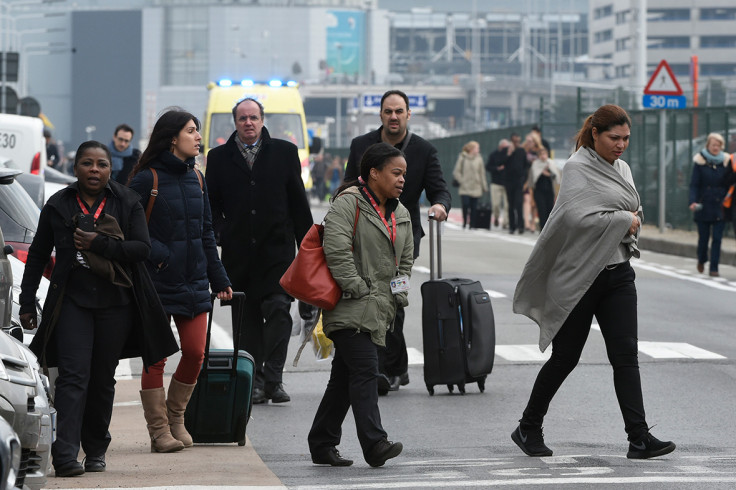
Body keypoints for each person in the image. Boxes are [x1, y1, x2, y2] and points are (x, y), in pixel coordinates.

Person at [512, 104, 676, 460]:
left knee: (625, 357)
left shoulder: (624, 168)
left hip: (618, 274)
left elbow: (635, 211)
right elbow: (575, 217)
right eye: (614, 138)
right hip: (580, 278)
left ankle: (639, 437)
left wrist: (627, 220)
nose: (621, 145)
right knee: (565, 358)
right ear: (595, 135)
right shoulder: (577, 167)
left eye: (626, 139)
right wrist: (623, 220)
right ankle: (528, 426)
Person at [19, 141, 179, 476]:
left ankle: (95, 451)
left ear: (109, 169)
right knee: (73, 376)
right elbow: (36, 255)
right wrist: (26, 300)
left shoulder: (127, 201)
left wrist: (99, 244)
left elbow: (141, 249)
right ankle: (64, 455)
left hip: (115, 303)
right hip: (72, 302)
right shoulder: (59, 204)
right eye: (87, 164)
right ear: (75, 168)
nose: (95, 170)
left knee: (102, 379)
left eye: (102, 164)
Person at [129, 109, 233, 452]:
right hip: (157, 282)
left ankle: (176, 419)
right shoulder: (147, 178)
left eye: (198, 131)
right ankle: (159, 431)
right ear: (173, 137)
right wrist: (161, 255)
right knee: (156, 357)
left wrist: (219, 278)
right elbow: (130, 225)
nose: (199, 137)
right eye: (192, 131)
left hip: (194, 280)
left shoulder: (197, 178)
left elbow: (205, 232)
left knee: (195, 352)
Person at [308, 142, 413, 468]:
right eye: (395, 173)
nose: (401, 180)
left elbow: (405, 262)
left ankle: (321, 441)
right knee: (367, 371)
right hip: (349, 305)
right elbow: (336, 251)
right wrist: (357, 288)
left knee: (344, 378)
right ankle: (374, 443)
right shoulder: (348, 203)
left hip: (380, 309)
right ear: (374, 173)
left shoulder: (401, 213)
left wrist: (399, 294)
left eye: (404, 174)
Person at [205, 97, 313, 405]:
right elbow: (212, 206)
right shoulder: (220, 157)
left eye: (253, 117)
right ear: (235, 123)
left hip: (277, 250)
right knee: (246, 320)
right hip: (238, 253)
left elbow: (298, 204)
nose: (248, 123)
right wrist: (218, 234)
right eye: (242, 118)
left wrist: (309, 248)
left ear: (262, 120)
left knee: (279, 311)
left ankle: (272, 379)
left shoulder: (284, 152)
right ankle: (252, 383)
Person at [343, 89, 451, 394]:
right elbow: (350, 184)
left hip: (404, 240)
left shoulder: (424, 150)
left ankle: (389, 367)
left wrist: (440, 206)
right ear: (380, 114)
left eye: (399, 111)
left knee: (394, 300)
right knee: (367, 300)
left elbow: (440, 189)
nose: (393, 116)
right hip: (364, 235)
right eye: (388, 111)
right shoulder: (360, 146)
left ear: (407, 115)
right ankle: (388, 367)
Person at [688, 132, 730, 277]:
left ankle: (714, 268)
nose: (716, 147)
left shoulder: (726, 161)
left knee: (717, 239)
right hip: (703, 205)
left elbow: (730, 182)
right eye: (713, 145)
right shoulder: (700, 162)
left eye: (718, 145)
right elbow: (694, 184)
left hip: (721, 205)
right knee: (703, 239)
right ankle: (701, 259)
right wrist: (692, 201)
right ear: (708, 146)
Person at [452, 140, 488, 229]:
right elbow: (457, 171)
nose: (478, 150)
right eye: (477, 148)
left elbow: (482, 173)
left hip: (476, 186)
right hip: (465, 187)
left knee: (474, 207)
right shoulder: (462, 157)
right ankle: (464, 222)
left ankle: (472, 224)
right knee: (465, 204)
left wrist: (484, 186)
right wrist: (462, 181)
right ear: (471, 149)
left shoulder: (479, 158)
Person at [528, 147, 560, 231]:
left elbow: (557, 177)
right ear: (538, 156)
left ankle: (548, 230)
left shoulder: (551, 163)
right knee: (541, 210)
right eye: (541, 154)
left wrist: (548, 173)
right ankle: (542, 230)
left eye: (544, 154)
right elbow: (531, 181)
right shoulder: (535, 164)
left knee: (550, 210)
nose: (543, 156)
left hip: (549, 191)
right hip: (539, 191)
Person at [503, 132, 529, 234]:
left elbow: (526, 165)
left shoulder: (522, 151)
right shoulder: (506, 151)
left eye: (517, 141)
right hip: (508, 181)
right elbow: (501, 162)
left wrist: (524, 178)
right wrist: (509, 154)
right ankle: (512, 226)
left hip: (518, 181)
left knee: (519, 203)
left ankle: (520, 226)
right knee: (510, 204)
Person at [486, 138, 509, 228]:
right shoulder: (494, 155)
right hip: (496, 183)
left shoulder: (509, 155)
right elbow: (488, 167)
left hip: (507, 183)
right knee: (496, 204)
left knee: (507, 205)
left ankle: (506, 222)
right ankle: (496, 217)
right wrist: (497, 168)